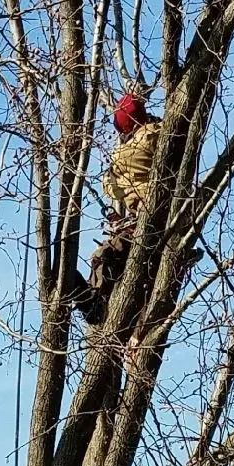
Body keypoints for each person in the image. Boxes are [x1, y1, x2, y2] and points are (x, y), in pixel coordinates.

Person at [73, 93, 160, 325]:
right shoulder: (162, 132)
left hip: (151, 223)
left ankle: (95, 305)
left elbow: (112, 184)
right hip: (158, 217)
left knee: (105, 255)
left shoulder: (130, 152)